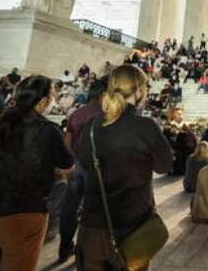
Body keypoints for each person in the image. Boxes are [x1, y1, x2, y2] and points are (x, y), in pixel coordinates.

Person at [74, 65, 173, 271]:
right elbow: (165, 166)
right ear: (138, 91)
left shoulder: (92, 125)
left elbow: (83, 161)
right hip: (133, 227)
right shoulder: (145, 126)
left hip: (92, 226)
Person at [0, 76, 74, 271]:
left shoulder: (2, 123)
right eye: (53, 95)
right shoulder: (47, 129)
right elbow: (66, 165)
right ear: (44, 101)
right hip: (23, 215)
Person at [57, 75, 108, 262]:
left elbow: (67, 142)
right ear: (104, 94)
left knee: (70, 208)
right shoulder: (106, 115)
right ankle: (87, 252)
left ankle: (65, 246)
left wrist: (76, 158)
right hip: (98, 169)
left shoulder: (77, 113)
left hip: (78, 165)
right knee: (94, 211)